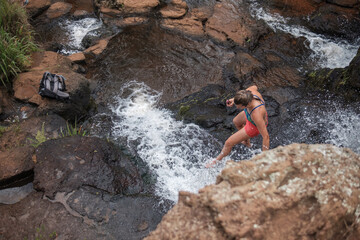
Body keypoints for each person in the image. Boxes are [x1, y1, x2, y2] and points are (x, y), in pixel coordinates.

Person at [206, 85, 269, 168]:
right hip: (249, 114)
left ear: (245, 105)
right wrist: (233, 99)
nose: (236, 106)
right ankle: (247, 141)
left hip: (254, 127)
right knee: (236, 121)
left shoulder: (256, 114)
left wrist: (265, 159)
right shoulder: (250, 92)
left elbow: (266, 136)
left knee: (228, 143)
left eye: (237, 105)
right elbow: (254, 86)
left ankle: (215, 161)